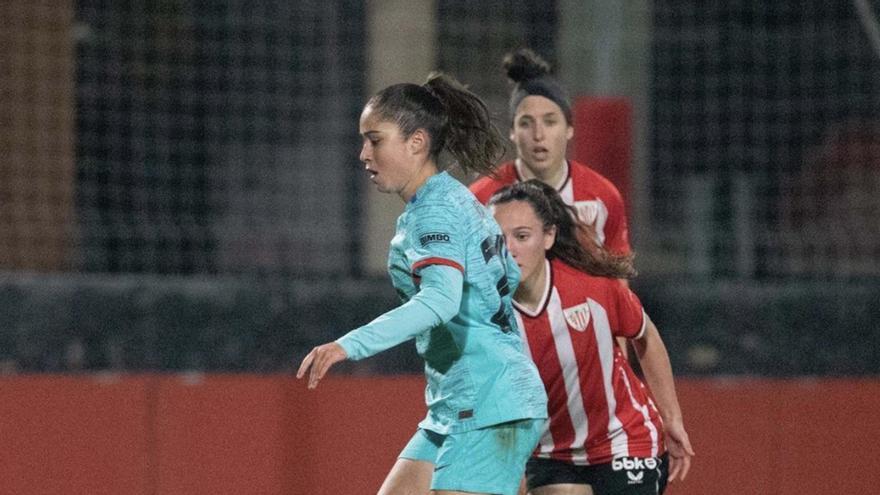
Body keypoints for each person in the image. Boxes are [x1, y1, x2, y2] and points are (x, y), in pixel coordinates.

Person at [297, 73, 548, 495]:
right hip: (458, 403)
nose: (363, 153)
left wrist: (348, 345)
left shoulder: (436, 212)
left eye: (374, 140)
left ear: (416, 142)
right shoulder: (457, 199)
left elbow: (441, 299)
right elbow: (505, 277)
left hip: (487, 403)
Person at [488, 180, 694, 495]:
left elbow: (645, 335)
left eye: (522, 236)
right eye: (499, 239)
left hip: (624, 439)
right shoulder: (482, 312)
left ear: (549, 237)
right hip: (552, 451)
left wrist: (672, 418)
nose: (510, 249)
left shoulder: (593, 290)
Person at [469, 48, 631, 257]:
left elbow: (618, 282)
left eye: (550, 122)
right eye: (526, 123)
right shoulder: (479, 200)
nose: (538, 134)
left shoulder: (602, 197)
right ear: (512, 132)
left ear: (569, 128)